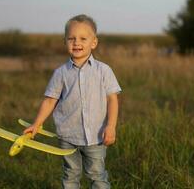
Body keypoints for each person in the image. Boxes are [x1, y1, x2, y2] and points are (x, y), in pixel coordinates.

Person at [23, 14, 121, 188]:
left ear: (94, 42)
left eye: (83, 38)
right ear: (65, 42)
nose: (77, 42)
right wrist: (36, 124)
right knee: (70, 174)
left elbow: (112, 99)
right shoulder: (60, 73)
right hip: (68, 136)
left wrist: (111, 126)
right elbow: (49, 101)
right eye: (71, 38)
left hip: (96, 136)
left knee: (97, 175)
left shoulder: (103, 70)